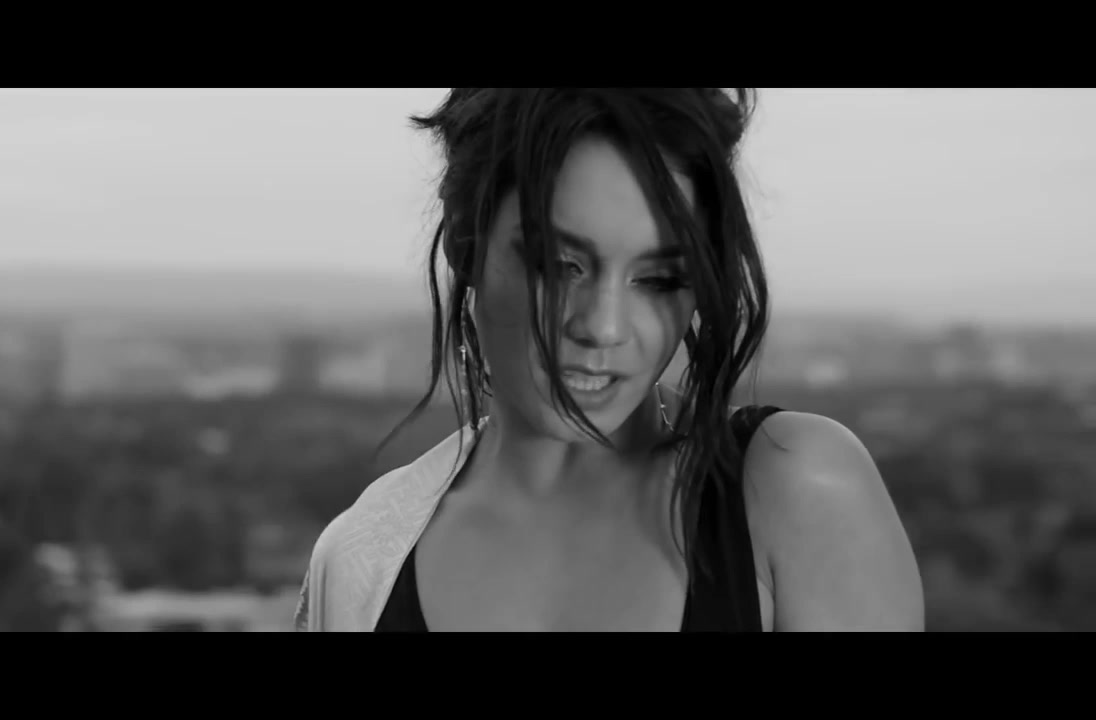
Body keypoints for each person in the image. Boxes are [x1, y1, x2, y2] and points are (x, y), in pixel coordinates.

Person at [294, 88, 923, 632]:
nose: (603, 327)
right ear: (466, 241)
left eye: (659, 278)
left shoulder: (797, 490)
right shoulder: (359, 560)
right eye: (560, 264)